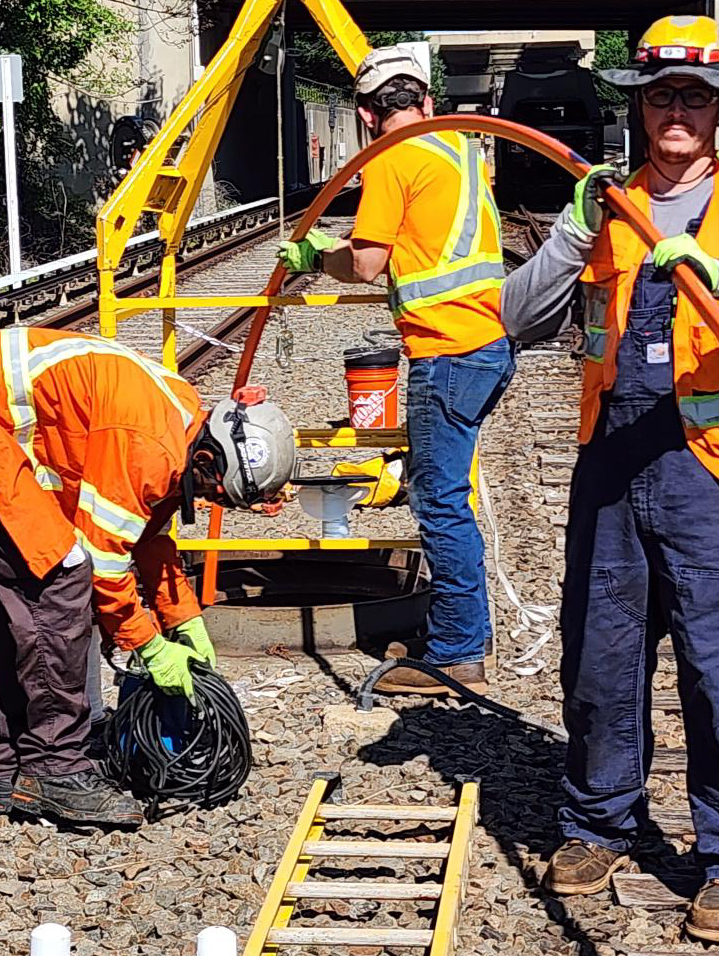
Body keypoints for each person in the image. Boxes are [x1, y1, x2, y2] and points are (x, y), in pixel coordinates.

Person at [500, 16, 719, 944]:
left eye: (695, 95)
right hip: (613, 466)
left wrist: (718, 274)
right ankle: (598, 822)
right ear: (638, 106)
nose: (676, 110)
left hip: (716, 479)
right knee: (600, 662)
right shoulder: (606, 205)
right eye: (661, 94)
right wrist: (571, 234)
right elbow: (514, 320)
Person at [0, 328, 295, 827]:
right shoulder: (149, 446)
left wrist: (183, 619)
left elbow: (147, 529)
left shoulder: (179, 423)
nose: (208, 502)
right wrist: (149, 646)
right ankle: (54, 768)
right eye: (213, 493)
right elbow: (105, 561)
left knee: (26, 602)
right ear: (205, 458)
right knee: (58, 582)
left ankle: (10, 771)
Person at [277, 45, 514, 696]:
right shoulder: (460, 149)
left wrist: (313, 256)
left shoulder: (388, 158)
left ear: (364, 114)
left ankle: (459, 652)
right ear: (427, 102)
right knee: (445, 495)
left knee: (439, 502)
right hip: (489, 342)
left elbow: (368, 263)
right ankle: (464, 631)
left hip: (448, 349)